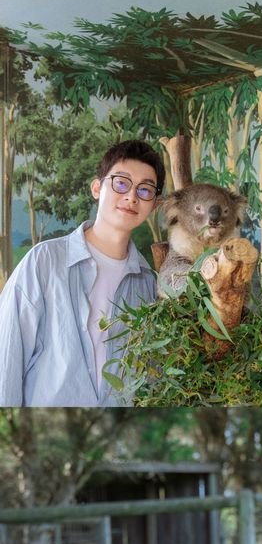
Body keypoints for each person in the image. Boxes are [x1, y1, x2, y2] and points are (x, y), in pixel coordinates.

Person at [0, 140, 165, 406]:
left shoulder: (148, 283)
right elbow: (6, 358)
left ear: (153, 204)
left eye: (145, 190)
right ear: (97, 188)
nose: (132, 196)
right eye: (121, 183)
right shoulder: (44, 261)